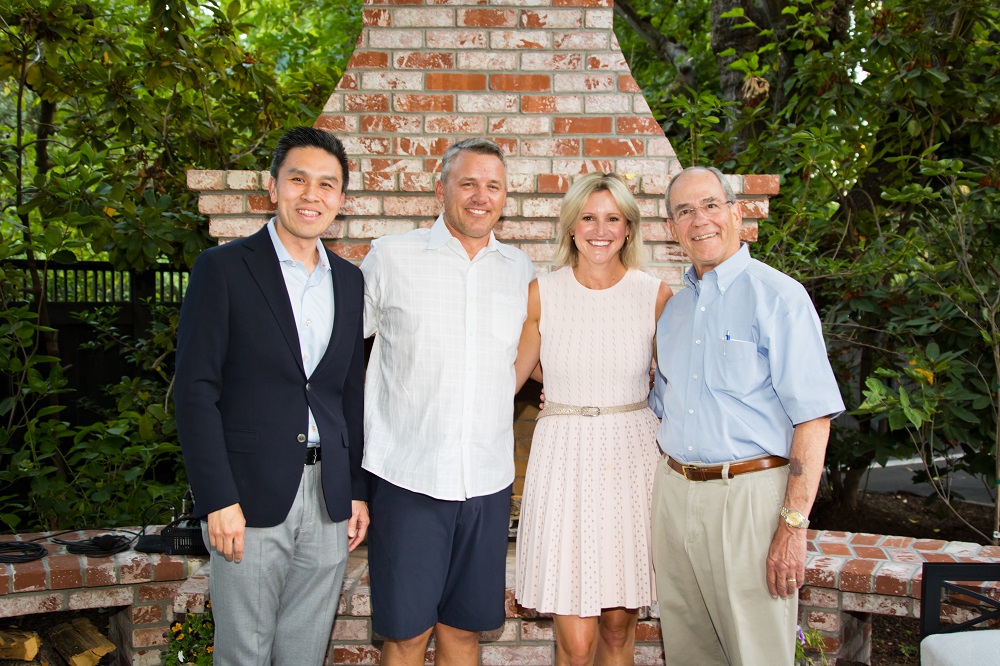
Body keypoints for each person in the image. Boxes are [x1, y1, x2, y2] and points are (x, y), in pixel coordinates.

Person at [174, 126, 370, 665]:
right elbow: (195, 392)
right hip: (248, 496)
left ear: (341, 199)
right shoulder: (223, 269)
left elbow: (348, 393)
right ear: (272, 187)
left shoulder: (350, 281)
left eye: (327, 184)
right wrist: (216, 498)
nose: (312, 195)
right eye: (298, 179)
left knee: (304, 653)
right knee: (244, 653)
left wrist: (355, 489)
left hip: (328, 499)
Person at [649, 166, 845, 665]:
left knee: (758, 654)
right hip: (675, 496)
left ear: (736, 214)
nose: (700, 220)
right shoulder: (674, 312)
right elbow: (661, 406)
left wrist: (793, 525)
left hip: (749, 499)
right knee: (690, 653)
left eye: (711, 205)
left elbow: (814, 419)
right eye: (684, 211)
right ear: (672, 228)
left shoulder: (779, 297)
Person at [360, 138, 536, 666]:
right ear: (441, 190)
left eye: (493, 186)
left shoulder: (520, 270)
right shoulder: (390, 257)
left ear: (504, 197)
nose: (481, 196)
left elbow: (530, 358)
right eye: (468, 183)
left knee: (464, 634)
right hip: (407, 479)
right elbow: (340, 357)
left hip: (486, 483)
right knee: (407, 637)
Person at [513, 172, 672, 666]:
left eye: (613, 219)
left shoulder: (654, 294)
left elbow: (678, 381)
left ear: (628, 228)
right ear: (571, 226)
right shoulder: (542, 292)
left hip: (631, 458)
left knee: (619, 631)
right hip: (563, 457)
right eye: (588, 217)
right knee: (577, 645)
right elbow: (512, 375)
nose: (600, 230)